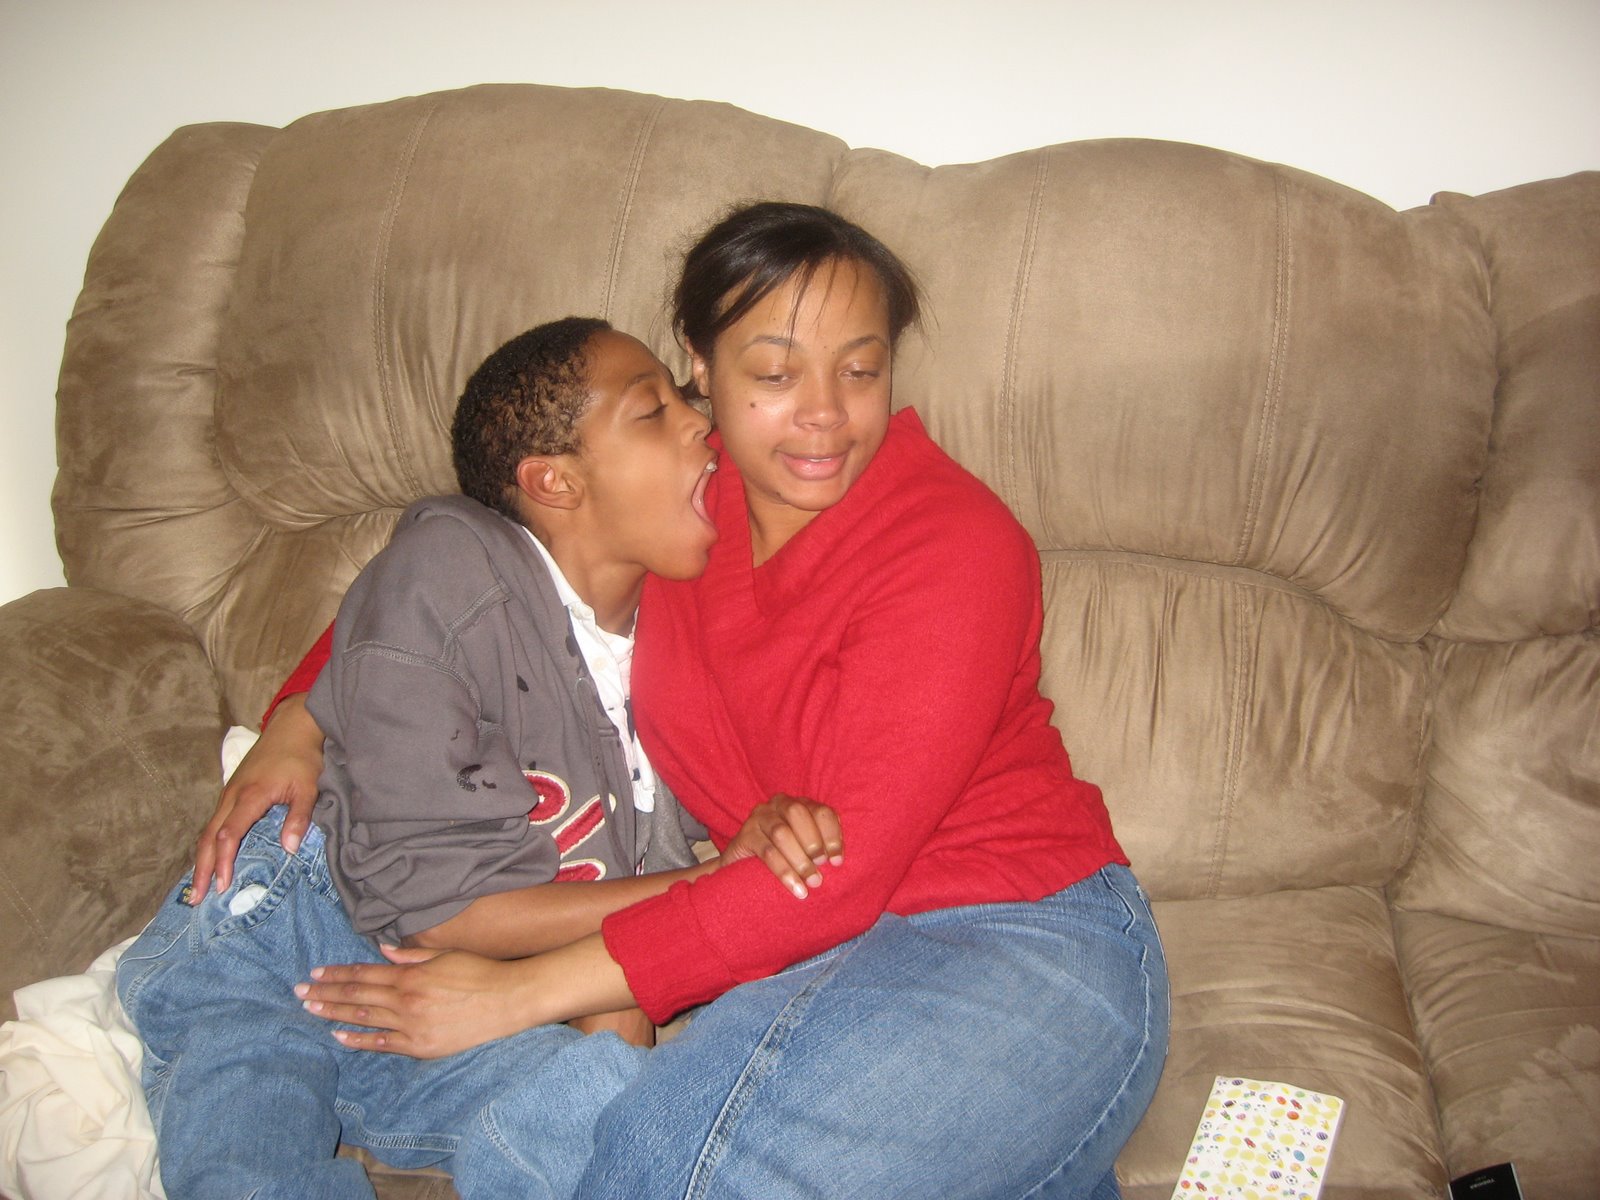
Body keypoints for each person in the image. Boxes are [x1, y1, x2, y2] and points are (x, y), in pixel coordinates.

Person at [215, 202, 1170, 1198]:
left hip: (1013, 937)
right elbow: (458, 589)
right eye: (774, 374)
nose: (825, 414)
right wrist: (300, 718)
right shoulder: (677, 510)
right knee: (601, 1147)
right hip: (806, 964)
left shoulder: (951, 544)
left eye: (860, 370)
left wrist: (518, 991)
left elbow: (837, 880)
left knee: (660, 1170)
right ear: (699, 367)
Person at [116, 316, 845, 1200]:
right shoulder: (455, 563)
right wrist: (710, 886)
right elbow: (435, 901)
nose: (702, 421)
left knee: (621, 1134)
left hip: (442, 998)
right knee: (250, 1171)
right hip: (289, 924)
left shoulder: (681, 640)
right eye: (653, 409)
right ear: (554, 481)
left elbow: (621, 952)